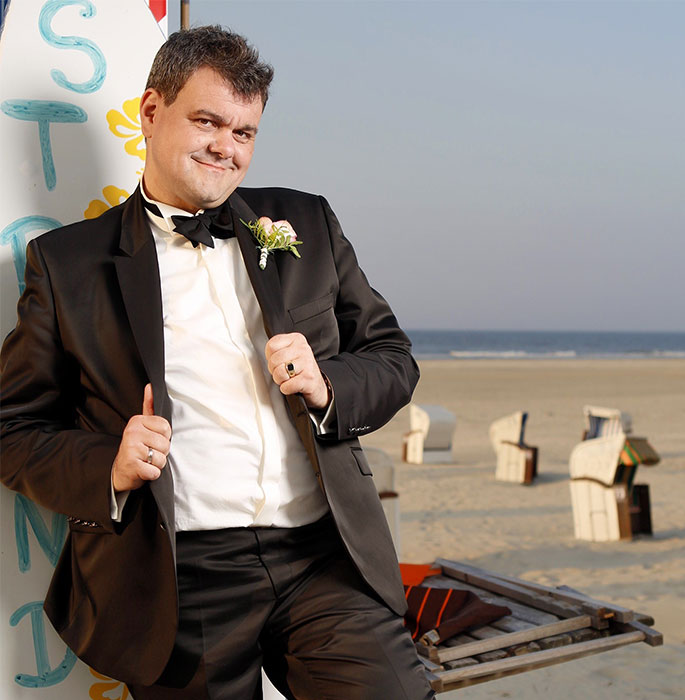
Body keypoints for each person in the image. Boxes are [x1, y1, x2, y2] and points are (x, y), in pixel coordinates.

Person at [0, 26, 432, 700]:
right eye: (207, 121)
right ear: (150, 112)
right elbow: (11, 430)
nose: (225, 148)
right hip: (178, 573)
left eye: (244, 132)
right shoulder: (67, 265)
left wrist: (326, 387)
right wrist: (109, 465)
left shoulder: (307, 224)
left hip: (323, 556)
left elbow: (391, 358)